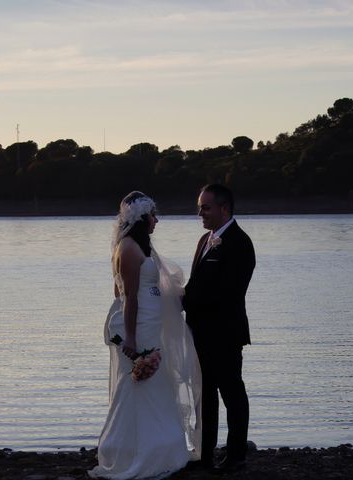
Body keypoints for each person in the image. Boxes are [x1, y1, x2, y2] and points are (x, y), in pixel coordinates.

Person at [89, 191, 202, 480]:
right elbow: (127, 298)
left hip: (150, 323)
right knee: (138, 384)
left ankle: (159, 447)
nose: (156, 220)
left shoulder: (140, 246)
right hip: (137, 327)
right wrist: (129, 337)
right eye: (152, 215)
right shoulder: (127, 248)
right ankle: (134, 451)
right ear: (140, 218)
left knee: (154, 382)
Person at [182, 184, 256, 473]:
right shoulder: (204, 240)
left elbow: (229, 292)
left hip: (225, 333)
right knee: (205, 396)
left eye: (206, 207)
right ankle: (205, 455)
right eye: (200, 207)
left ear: (224, 208)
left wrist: (184, 299)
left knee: (232, 393)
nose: (200, 213)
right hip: (200, 332)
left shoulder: (240, 243)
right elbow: (197, 282)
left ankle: (237, 455)